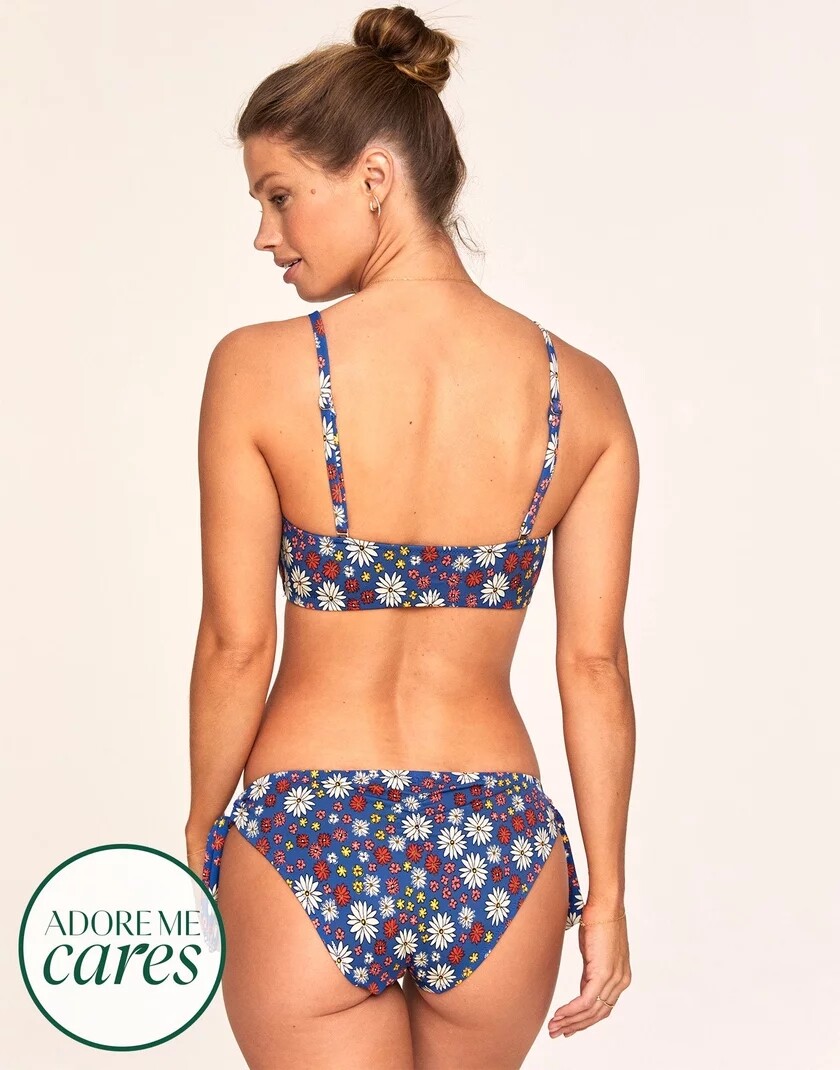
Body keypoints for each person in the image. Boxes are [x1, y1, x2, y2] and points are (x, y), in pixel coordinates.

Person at [185, 5, 637, 1068]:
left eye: (280, 195)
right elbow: (594, 664)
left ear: (376, 178)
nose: (267, 235)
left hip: (308, 833)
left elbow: (238, 646)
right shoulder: (585, 395)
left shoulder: (256, 370)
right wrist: (609, 897)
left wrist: (201, 830)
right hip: (499, 846)